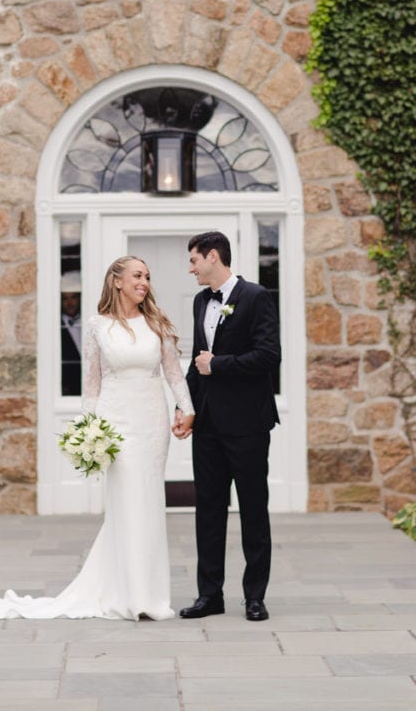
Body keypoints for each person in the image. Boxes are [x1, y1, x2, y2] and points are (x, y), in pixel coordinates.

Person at [0, 255, 194, 621]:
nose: (144, 282)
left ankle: (149, 595)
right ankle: (126, 595)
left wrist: (187, 408)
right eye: (137, 275)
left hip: (152, 421)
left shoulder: (157, 324)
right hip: (117, 422)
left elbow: (173, 374)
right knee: (126, 504)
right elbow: (92, 383)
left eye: (148, 277)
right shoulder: (97, 326)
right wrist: (91, 430)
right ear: (116, 281)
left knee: (150, 504)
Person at [174, 230, 280, 622]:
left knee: (254, 511)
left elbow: (270, 355)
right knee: (208, 511)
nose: (191, 269)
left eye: (194, 261)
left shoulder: (256, 297)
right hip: (208, 427)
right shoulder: (202, 301)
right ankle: (209, 595)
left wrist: (219, 364)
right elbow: (196, 362)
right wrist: (185, 407)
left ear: (214, 257)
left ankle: (255, 597)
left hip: (249, 425)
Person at [60, 271, 82, 395]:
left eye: (73, 297)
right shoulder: (56, 325)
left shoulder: (90, 320)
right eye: (65, 298)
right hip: (66, 391)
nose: (70, 303)